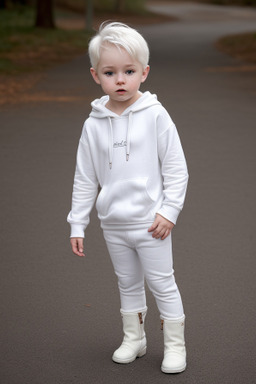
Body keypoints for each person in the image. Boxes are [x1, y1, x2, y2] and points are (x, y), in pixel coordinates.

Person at [67, 22, 189, 374]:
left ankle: (175, 346)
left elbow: (177, 169)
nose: (120, 80)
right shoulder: (93, 124)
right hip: (113, 224)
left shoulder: (155, 116)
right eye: (110, 72)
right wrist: (78, 221)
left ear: (144, 72)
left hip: (152, 223)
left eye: (129, 71)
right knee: (127, 283)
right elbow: (85, 177)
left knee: (162, 283)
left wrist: (169, 211)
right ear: (95, 75)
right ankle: (134, 339)